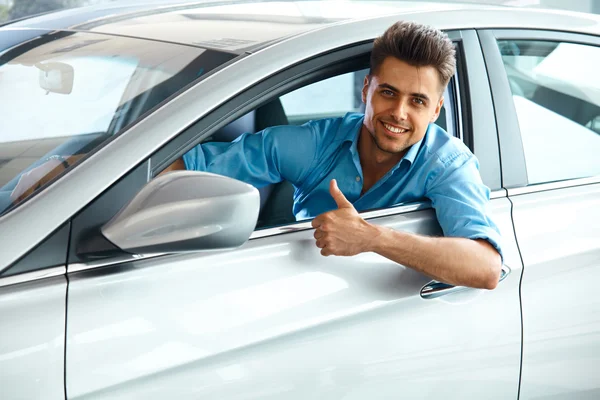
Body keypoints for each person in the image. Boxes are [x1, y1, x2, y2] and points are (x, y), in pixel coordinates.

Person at [161, 21, 503, 290]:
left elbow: (486, 267)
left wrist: (372, 237)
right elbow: (182, 170)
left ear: (436, 110)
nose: (399, 113)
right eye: (388, 92)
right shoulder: (317, 143)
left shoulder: (448, 163)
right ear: (366, 89)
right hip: (301, 293)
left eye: (417, 101)